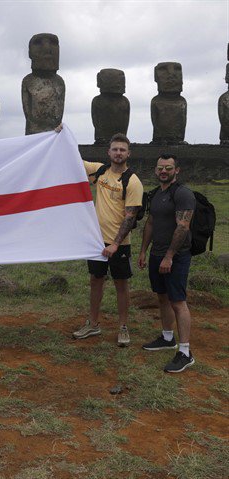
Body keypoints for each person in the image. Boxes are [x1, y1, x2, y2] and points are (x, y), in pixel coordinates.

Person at [72, 133, 144, 346]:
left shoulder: (133, 181)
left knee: (121, 284)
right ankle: (93, 323)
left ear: (128, 153)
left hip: (119, 244)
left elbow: (130, 217)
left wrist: (115, 244)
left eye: (122, 150)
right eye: (115, 149)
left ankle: (123, 327)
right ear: (109, 152)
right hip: (96, 241)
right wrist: (61, 135)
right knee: (96, 281)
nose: (118, 153)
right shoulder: (100, 171)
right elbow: (73, 159)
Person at [138, 154, 196, 373]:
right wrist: (144, 250)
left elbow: (183, 227)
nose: (164, 171)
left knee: (178, 301)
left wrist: (169, 256)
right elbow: (151, 223)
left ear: (177, 170)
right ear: (155, 170)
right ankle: (167, 337)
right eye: (161, 168)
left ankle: (185, 351)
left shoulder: (182, 194)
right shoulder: (156, 194)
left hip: (176, 256)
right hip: (157, 254)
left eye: (168, 168)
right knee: (162, 296)